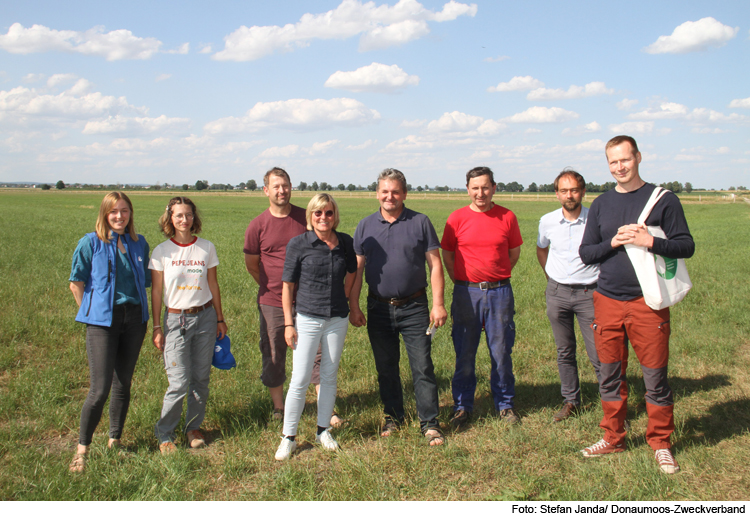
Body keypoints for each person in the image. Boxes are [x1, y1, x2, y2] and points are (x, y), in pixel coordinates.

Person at [579, 136, 694, 474]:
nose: (620, 167)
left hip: (649, 302)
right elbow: (587, 254)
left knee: (655, 376)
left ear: (638, 157)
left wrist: (651, 241)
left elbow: (686, 246)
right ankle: (613, 437)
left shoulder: (664, 200)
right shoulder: (601, 204)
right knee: (610, 375)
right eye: (613, 162)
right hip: (608, 299)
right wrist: (613, 241)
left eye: (625, 160)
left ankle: (661, 442)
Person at [349, 168, 447, 446]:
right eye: (384, 191)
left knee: (422, 367)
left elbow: (435, 264)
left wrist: (438, 304)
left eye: (395, 191)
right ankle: (393, 418)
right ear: (377, 193)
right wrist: (354, 306)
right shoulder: (365, 226)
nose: (389, 196)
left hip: (414, 306)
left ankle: (429, 423)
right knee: (386, 367)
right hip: (378, 308)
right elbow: (357, 270)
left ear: (404, 193)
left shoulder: (420, 222)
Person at [244, 168, 340, 425]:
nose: (281, 190)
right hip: (272, 301)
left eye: (285, 185)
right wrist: (273, 287)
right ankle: (279, 407)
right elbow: (253, 264)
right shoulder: (257, 225)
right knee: (274, 352)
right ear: (266, 190)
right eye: (276, 186)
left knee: (320, 353)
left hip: (311, 299)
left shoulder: (304, 218)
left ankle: (326, 408)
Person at [68, 192, 151, 472]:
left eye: (124, 211)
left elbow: (148, 280)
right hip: (102, 322)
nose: (119, 216)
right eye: (113, 212)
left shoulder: (139, 244)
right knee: (99, 389)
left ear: (130, 214)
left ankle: (115, 440)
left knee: (122, 384)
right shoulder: (90, 243)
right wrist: (92, 313)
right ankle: (82, 450)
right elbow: (76, 282)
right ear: (105, 214)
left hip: (135, 319)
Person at [275, 194, 356, 461]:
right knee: (299, 379)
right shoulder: (299, 244)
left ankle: (323, 431)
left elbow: (353, 272)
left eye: (329, 213)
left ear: (335, 215)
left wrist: (346, 297)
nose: (324, 218)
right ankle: (289, 437)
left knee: (329, 376)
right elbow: (287, 286)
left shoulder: (345, 242)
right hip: (307, 318)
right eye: (318, 213)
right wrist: (289, 323)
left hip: (337, 319)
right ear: (311, 216)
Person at [441, 167, 523, 427]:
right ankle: (463, 405)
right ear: (468, 189)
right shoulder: (456, 219)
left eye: (485, 187)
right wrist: (463, 282)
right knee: (464, 353)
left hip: (500, 292)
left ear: (494, 188)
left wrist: (496, 277)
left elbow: (513, 253)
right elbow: (448, 255)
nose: (480, 193)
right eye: (475, 188)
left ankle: (505, 404)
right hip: (467, 293)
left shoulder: (507, 217)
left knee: (501, 351)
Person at [150, 197, 228, 454]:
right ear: (170, 218)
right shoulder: (162, 252)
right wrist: (157, 327)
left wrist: (219, 317)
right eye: (179, 215)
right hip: (176, 320)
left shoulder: (206, 248)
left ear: (195, 217)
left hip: (205, 317)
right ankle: (165, 434)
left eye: (189, 215)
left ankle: (193, 428)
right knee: (179, 382)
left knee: (200, 378)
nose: (184, 220)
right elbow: (157, 291)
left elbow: (213, 285)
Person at [537, 169, 602, 421]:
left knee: (599, 352)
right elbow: (541, 248)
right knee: (564, 350)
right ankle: (571, 400)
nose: (569, 195)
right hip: (557, 293)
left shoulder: (596, 219)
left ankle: (612, 404)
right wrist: (551, 278)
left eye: (574, 190)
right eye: (564, 191)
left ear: (583, 192)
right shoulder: (548, 221)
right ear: (557, 194)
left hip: (590, 293)